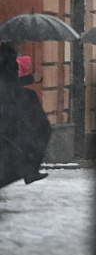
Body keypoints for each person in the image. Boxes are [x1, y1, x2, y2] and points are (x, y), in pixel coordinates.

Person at [0, 43, 50, 188]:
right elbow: (9, 83)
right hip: (10, 108)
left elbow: (9, 82)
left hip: (9, 108)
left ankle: (29, 170)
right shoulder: (8, 59)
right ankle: (30, 170)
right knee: (39, 132)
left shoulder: (7, 58)